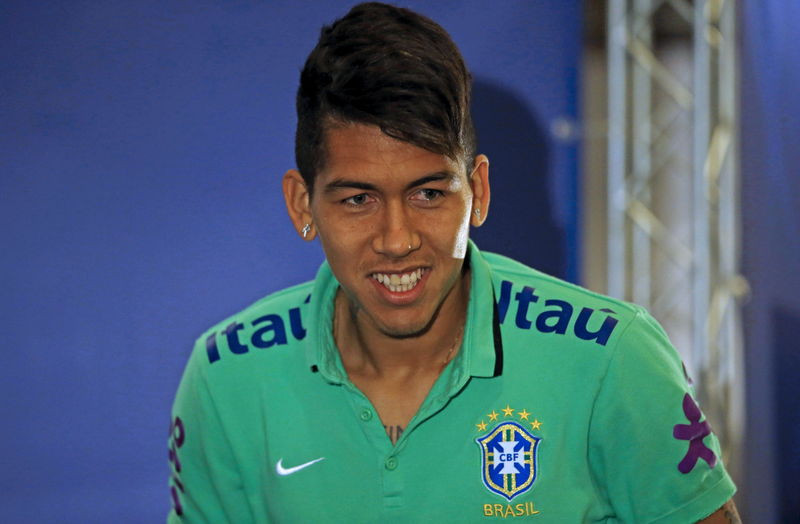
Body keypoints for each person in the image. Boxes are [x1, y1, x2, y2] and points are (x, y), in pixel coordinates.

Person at [167, 3, 739, 522]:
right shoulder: (226, 376)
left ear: (479, 191)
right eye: (357, 199)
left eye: (429, 194)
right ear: (302, 205)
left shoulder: (614, 358)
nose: (396, 240)